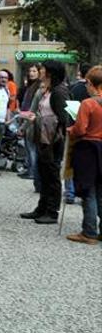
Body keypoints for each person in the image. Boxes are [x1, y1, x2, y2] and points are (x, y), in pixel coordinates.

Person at [19, 60, 70, 225]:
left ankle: (51, 211)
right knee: (44, 173)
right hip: (43, 138)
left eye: (42, 69)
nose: (39, 71)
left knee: (52, 175)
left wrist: (38, 118)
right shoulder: (47, 90)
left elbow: (64, 119)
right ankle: (41, 208)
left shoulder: (59, 92)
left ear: (49, 72)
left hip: (54, 140)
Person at [66, 66, 102, 245]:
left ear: (90, 83)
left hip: (88, 148)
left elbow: (80, 129)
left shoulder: (88, 103)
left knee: (88, 191)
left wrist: (71, 129)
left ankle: (89, 232)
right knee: (101, 191)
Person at [18, 64, 42, 184]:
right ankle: (30, 170)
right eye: (30, 70)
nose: (31, 73)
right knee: (28, 148)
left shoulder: (38, 88)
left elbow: (34, 107)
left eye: (34, 71)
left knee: (32, 148)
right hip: (26, 118)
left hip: (31, 121)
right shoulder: (30, 87)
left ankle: (33, 172)